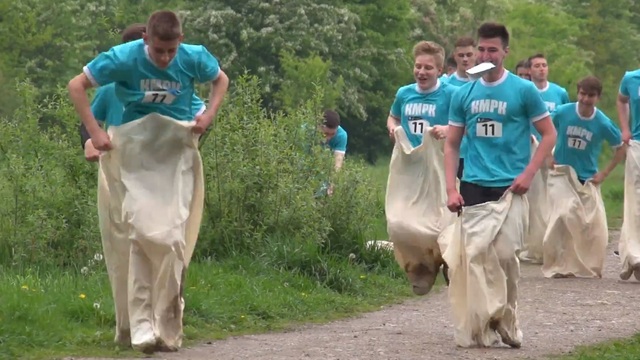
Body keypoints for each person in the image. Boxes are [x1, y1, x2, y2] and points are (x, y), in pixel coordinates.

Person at [67, 10, 229, 353]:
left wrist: (207, 117)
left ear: (180, 42)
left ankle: (167, 323)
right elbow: (79, 92)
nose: (165, 58)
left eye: (171, 51)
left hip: (172, 159)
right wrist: (93, 136)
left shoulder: (192, 59)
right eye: (159, 52)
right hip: (130, 163)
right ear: (144, 44)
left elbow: (219, 83)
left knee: (171, 240)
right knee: (137, 235)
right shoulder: (116, 71)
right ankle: (136, 326)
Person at [443, 22, 557, 348]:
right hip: (474, 184)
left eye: (492, 49)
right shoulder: (464, 93)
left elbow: (549, 134)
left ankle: (507, 316)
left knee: (506, 255)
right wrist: (452, 188)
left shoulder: (523, 91)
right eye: (482, 49)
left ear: (505, 52)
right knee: (476, 257)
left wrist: (529, 173)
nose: (485, 54)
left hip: (511, 187)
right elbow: (451, 144)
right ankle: (489, 319)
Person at [80, 24, 207, 161]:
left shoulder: (167, 87)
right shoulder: (109, 88)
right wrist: (90, 142)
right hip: (121, 163)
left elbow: (200, 115)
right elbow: (89, 123)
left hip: (161, 163)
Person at [551, 76, 625, 185]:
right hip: (560, 171)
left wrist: (604, 173)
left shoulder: (603, 123)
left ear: (598, 97)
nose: (585, 99)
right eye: (583, 94)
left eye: (591, 95)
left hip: (587, 177)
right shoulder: (562, 112)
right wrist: (548, 156)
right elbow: (545, 129)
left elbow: (621, 147)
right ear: (578, 94)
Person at [387, 40, 455, 147]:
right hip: (408, 158)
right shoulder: (403, 93)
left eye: (428, 68)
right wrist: (393, 128)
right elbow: (393, 117)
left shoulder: (452, 94)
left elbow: (469, 125)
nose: (421, 72)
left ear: (439, 70)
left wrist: (447, 130)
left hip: (438, 159)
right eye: (418, 66)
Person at [616, 67, 640, 271]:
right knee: (635, 200)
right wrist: (625, 128)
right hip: (638, 145)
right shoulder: (631, 79)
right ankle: (634, 254)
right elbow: (621, 100)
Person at [443, 36, 478, 179]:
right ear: (454, 56)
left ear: (476, 55)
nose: (465, 59)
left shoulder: (485, 83)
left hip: (477, 152)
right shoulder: (445, 84)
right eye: (461, 55)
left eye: (469, 55)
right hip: (452, 152)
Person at [528, 53, 570, 140]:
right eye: (537, 66)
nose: (541, 69)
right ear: (529, 70)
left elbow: (566, 119)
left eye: (544, 65)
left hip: (553, 146)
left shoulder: (560, 92)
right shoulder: (524, 91)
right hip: (529, 144)